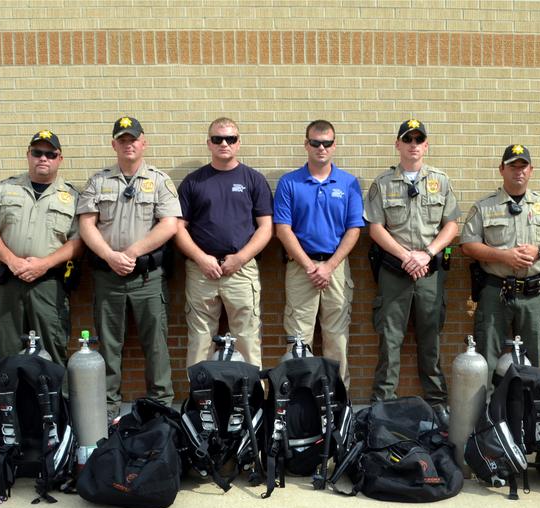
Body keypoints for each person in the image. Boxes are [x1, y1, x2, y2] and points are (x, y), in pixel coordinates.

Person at [77, 116, 181, 417]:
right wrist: (111, 255)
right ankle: (107, 407)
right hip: (108, 276)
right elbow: (86, 224)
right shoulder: (99, 181)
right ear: (114, 145)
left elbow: (170, 225)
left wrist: (132, 252)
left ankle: (160, 406)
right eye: (122, 140)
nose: (129, 144)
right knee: (108, 345)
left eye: (133, 139)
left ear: (143, 142)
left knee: (156, 344)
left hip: (148, 277)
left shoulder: (160, 180)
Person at [364, 119, 461, 423]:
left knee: (430, 340)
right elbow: (375, 227)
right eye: (408, 140)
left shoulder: (441, 181)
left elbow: (452, 225)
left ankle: (437, 404)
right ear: (398, 145)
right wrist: (406, 255)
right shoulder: (383, 183)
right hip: (395, 272)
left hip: (429, 272)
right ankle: (383, 406)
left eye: (419, 140)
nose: (414, 145)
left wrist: (427, 254)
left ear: (426, 146)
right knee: (389, 342)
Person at [461, 144, 540, 376]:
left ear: (531, 170)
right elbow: (468, 245)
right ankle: (486, 410)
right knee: (487, 357)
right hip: (494, 291)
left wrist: (539, 251)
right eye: (512, 166)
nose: (518, 171)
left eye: (523, 166)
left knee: (533, 358)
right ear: (502, 169)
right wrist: (504, 256)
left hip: (533, 294)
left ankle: (529, 410)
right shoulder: (484, 207)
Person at [0, 130, 82, 366]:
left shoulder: (72, 196)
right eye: (37, 152)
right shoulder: (6, 189)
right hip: (9, 283)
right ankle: (10, 403)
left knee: (52, 349)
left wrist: (43, 264)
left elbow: (78, 242)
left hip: (49, 284)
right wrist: (12, 261)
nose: (43, 158)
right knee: (7, 350)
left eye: (50, 154)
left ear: (60, 159)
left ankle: (52, 404)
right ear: (28, 155)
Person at [174, 117, 273, 369]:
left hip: (242, 270)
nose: (224, 143)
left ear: (239, 143)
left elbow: (266, 227)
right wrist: (201, 258)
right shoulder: (193, 182)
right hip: (201, 271)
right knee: (200, 340)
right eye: (218, 139)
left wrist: (240, 258)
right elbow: (178, 228)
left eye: (230, 138)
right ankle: (199, 404)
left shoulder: (253, 180)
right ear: (208, 143)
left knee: (247, 339)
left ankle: (254, 403)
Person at [273, 120, 364, 386]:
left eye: (326, 143)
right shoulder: (290, 182)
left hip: (335, 269)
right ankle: (299, 402)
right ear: (306, 145)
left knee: (337, 337)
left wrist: (329, 266)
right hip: (302, 269)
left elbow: (354, 229)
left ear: (334, 146)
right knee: (298, 339)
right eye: (315, 143)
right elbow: (283, 229)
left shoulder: (348, 183)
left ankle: (338, 401)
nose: (321, 148)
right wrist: (310, 266)